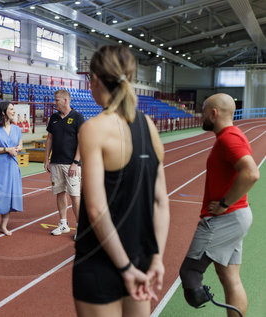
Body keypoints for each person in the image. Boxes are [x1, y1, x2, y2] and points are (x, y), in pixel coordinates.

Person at [73, 45, 170, 317]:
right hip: (142, 257)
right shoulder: (148, 125)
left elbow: (96, 209)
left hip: (101, 261)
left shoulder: (94, 129)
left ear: (93, 79)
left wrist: (124, 269)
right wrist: (157, 259)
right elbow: (161, 201)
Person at [179, 93, 259, 316]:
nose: (201, 115)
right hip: (237, 216)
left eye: (204, 111)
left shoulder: (228, 138)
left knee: (190, 273)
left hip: (226, 217)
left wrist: (224, 204)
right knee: (230, 278)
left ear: (214, 113)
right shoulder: (231, 135)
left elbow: (251, 173)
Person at [44, 89, 84, 236]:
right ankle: (63, 224)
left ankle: (80, 227)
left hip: (71, 164)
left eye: (57, 100)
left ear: (66, 100)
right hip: (56, 163)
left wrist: (75, 162)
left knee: (74, 196)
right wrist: (46, 158)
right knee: (59, 193)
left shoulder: (78, 117)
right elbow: (49, 139)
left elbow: (82, 141)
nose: (54, 103)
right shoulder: (53, 117)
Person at [0, 101, 23, 236]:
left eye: (14, 109)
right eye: (11, 109)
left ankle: (3, 226)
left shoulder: (17, 129)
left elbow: (20, 144)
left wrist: (18, 148)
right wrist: (6, 149)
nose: (14, 111)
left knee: (9, 195)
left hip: (13, 166)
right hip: (0, 166)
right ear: (3, 112)